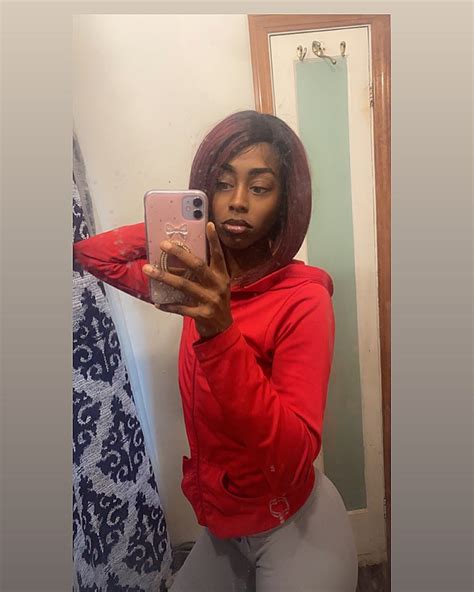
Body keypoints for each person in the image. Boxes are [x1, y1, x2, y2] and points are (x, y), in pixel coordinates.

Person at [73, 110, 358, 591]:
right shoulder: (193, 282)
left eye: (260, 187)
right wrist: (175, 227)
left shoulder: (303, 300)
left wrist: (220, 330)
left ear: (285, 202)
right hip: (224, 524)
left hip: (290, 520)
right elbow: (92, 255)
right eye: (222, 185)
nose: (238, 201)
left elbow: (292, 460)